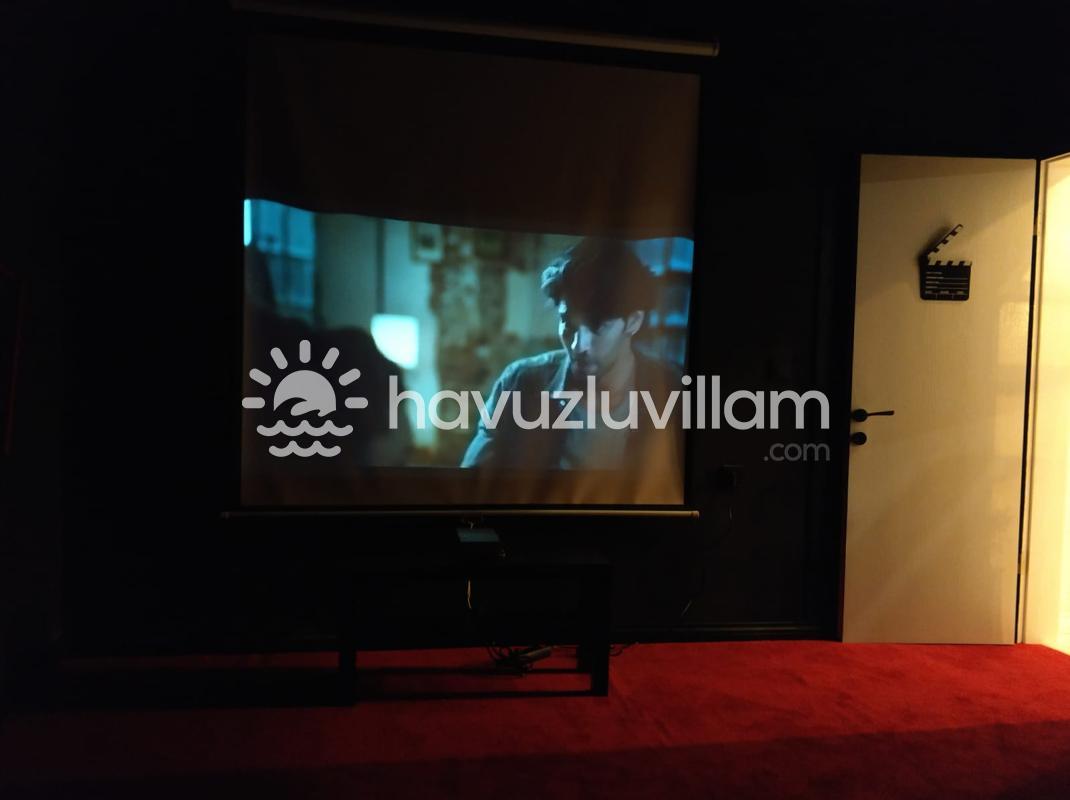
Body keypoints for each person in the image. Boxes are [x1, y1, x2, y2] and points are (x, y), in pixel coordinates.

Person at [460, 238, 682, 489]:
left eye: (598, 325)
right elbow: (471, 487)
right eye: (567, 322)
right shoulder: (520, 382)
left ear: (633, 322)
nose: (578, 345)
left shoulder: (674, 390)